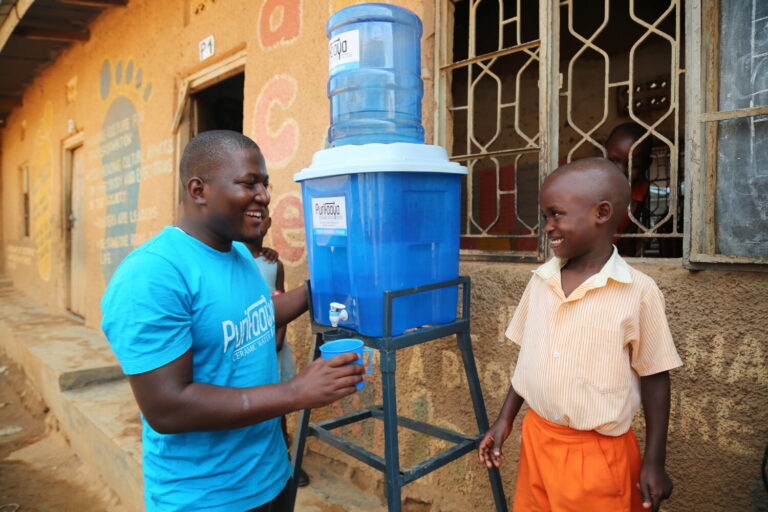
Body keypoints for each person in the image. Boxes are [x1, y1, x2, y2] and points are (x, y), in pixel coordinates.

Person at [101, 130, 364, 511]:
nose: (264, 195)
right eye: (249, 183)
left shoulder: (238, 254)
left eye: (265, 184)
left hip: (271, 476)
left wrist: (314, 291)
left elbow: (252, 318)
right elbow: (167, 407)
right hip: (206, 497)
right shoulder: (153, 274)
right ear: (198, 190)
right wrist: (295, 392)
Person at [478, 158, 682, 512]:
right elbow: (530, 356)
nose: (547, 227)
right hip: (537, 440)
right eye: (545, 217)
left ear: (601, 213)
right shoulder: (542, 281)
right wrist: (505, 418)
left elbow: (655, 376)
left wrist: (654, 461)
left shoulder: (638, 292)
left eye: (556, 215)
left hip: (598, 455)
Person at [244, 212, 310, 488]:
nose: (259, 222)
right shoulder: (237, 262)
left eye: (264, 218)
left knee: (277, 406)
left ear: (270, 224)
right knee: (252, 402)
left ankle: (284, 460)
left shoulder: (274, 263)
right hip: (249, 347)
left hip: (274, 345)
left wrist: (278, 340)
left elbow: (278, 299)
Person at [605, 122, 653, 256]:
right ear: (603, 151)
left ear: (646, 164)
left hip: (611, 257)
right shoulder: (584, 181)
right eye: (613, 160)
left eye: (632, 165)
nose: (620, 171)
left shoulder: (640, 190)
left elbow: (628, 238)